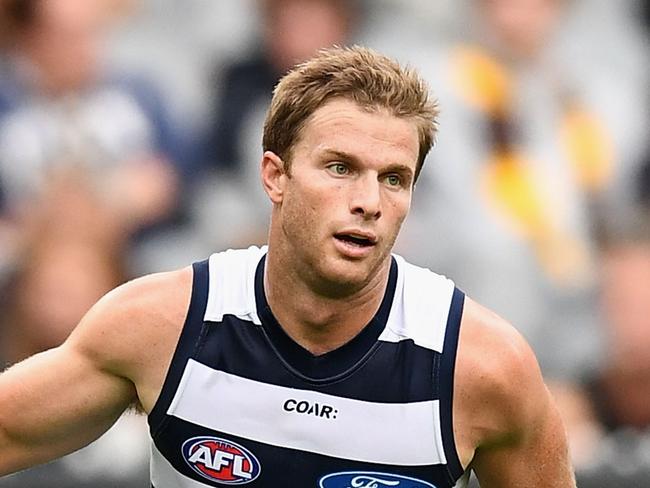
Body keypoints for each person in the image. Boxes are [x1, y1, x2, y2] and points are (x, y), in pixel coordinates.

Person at [0, 46, 575, 487]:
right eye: (341, 167)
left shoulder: (480, 368)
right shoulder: (162, 326)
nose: (369, 201)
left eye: (393, 178)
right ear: (275, 176)